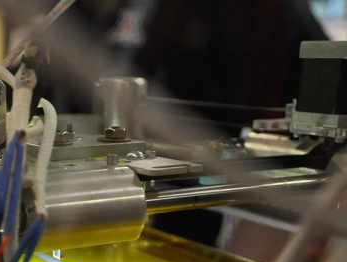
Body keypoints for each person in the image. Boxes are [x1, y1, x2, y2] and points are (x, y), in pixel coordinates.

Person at [28, 0, 327, 246]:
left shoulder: (265, 13)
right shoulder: (104, 11)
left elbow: (319, 83)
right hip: (103, 190)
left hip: (210, 191)